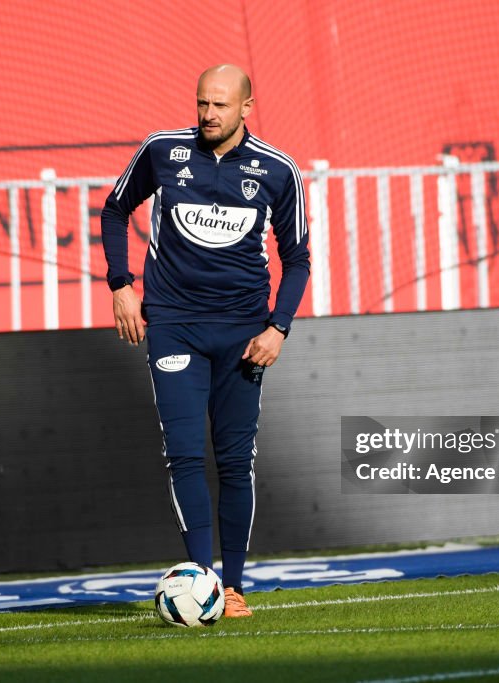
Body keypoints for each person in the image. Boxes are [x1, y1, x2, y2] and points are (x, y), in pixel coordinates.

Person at [100, 64, 310, 618]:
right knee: (185, 454)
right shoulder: (162, 150)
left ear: (246, 107)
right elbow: (115, 209)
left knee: (236, 461)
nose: (208, 114)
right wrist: (121, 285)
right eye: (202, 103)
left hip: (244, 334)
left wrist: (278, 327)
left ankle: (233, 587)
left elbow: (297, 259)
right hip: (174, 325)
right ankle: (202, 582)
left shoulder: (278, 169)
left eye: (220, 105)